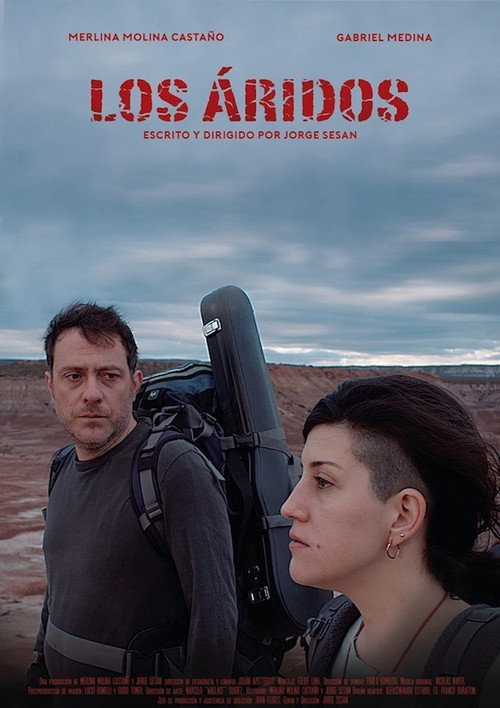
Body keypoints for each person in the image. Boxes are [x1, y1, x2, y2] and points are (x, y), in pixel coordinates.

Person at [29, 302, 237, 682]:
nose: (92, 393)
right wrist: (39, 666)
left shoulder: (173, 467)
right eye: (74, 376)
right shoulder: (61, 466)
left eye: (109, 375)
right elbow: (59, 588)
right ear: (51, 386)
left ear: (135, 383)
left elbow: (215, 623)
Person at [281, 374, 500, 704]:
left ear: (402, 516)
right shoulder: (330, 633)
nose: (289, 507)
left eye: (323, 481)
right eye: (301, 476)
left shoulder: (487, 671)